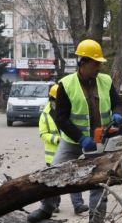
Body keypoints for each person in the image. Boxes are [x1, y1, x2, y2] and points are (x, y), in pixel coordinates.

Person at [28, 39, 122, 223]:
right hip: (73, 140)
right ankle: (46, 208)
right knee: (53, 172)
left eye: (99, 63)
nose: (98, 67)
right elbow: (62, 119)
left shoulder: (105, 81)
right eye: (95, 63)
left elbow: (118, 103)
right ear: (83, 62)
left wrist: (118, 114)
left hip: (99, 141)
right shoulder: (66, 84)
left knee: (99, 182)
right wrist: (81, 138)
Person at [35, 84, 89, 214]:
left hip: (69, 151)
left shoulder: (68, 111)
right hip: (52, 154)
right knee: (54, 180)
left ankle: (78, 205)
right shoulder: (45, 115)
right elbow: (43, 134)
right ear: (52, 100)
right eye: (57, 100)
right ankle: (54, 205)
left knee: (73, 179)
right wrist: (55, 139)